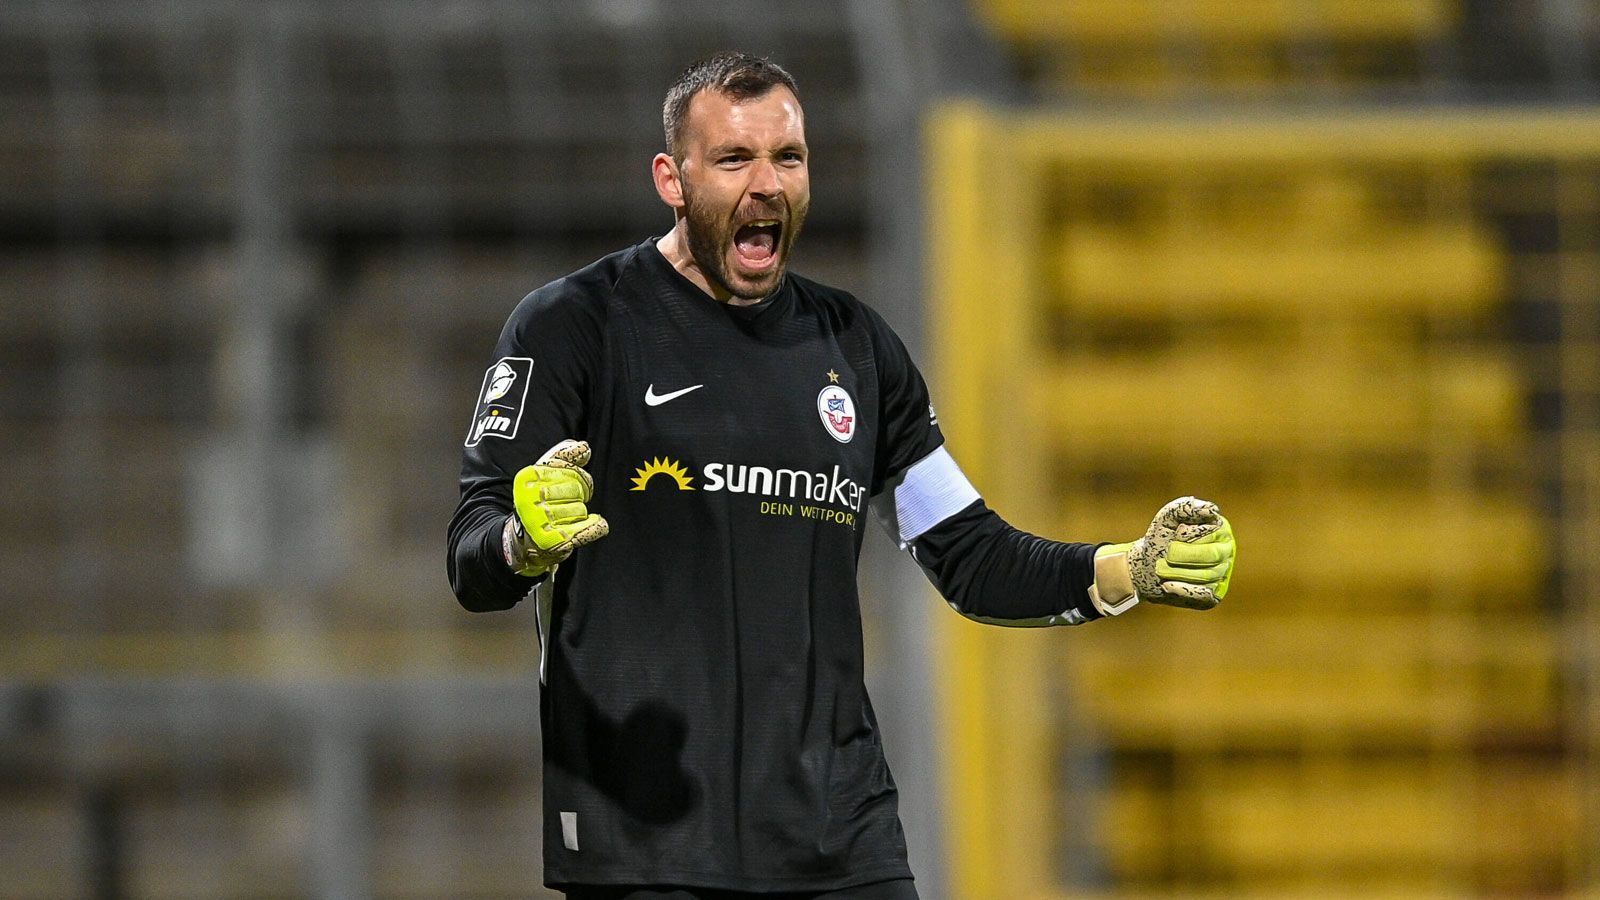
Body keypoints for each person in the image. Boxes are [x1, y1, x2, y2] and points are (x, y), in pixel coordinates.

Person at [447, 52, 1235, 900]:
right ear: (671, 180)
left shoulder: (856, 349)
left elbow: (966, 553)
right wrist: (524, 542)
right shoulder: (576, 324)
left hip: (841, 838)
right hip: (650, 844)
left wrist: (1125, 570)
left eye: (787, 157)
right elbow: (470, 556)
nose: (767, 185)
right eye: (734, 159)